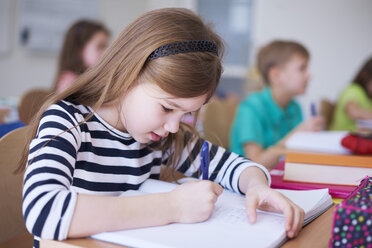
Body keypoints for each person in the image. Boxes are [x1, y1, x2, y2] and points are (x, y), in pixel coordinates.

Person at [19, 9, 304, 248]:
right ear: (128, 75)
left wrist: (256, 186)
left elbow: (234, 165)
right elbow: (42, 211)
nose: (173, 126)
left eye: (187, 113)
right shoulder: (69, 121)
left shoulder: (161, 136)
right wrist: (173, 207)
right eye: (167, 108)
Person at [230, 40, 324, 169]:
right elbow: (255, 162)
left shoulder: (294, 107)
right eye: (302, 68)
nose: (309, 75)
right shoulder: (250, 108)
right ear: (276, 75)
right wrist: (298, 134)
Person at [53, 20, 110, 93]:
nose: (106, 52)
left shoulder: (92, 79)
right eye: (100, 46)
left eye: (106, 46)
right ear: (79, 49)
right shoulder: (69, 83)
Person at [330, 57, 372, 131]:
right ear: (366, 76)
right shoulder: (353, 90)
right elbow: (353, 112)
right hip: (340, 137)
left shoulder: (369, 98)